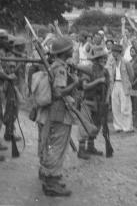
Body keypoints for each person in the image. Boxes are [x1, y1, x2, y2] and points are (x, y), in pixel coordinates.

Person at [41, 36, 81, 196]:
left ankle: (52, 177)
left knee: (56, 144)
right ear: (65, 51)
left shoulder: (58, 65)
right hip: (59, 111)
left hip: (56, 111)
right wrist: (75, 84)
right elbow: (58, 93)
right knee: (58, 146)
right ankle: (51, 182)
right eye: (70, 48)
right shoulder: (60, 69)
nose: (73, 49)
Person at [78, 46, 110, 159]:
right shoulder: (88, 69)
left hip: (100, 102)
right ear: (96, 59)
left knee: (96, 125)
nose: (104, 60)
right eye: (101, 58)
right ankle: (81, 149)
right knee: (85, 124)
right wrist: (98, 81)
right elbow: (85, 86)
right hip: (88, 101)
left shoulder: (105, 71)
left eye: (105, 58)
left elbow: (108, 86)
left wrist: (106, 100)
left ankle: (90, 147)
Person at [109, 44, 135, 133]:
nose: (113, 53)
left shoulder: (126, 62)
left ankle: (127, 127)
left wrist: (129, 84)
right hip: (115, 84)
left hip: (124, 84)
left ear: (119, 52)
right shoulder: (112, 62)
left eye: (114, 52)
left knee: (125, 106)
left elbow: (132, 75)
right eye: (112, 51)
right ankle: (118, 126)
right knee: (115, 106)